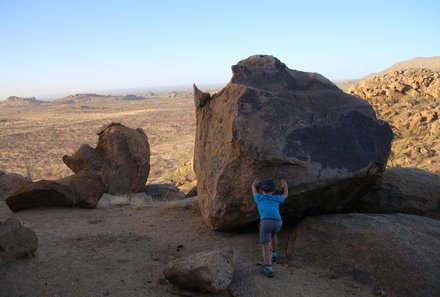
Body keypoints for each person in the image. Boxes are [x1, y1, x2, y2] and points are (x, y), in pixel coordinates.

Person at [251, 177, 288, 278]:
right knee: (273, 234)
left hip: (266, 222)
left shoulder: (259, 198)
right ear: (274, 191)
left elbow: (253, 190)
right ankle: (274, 254)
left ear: (261, 190)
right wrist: (285, 187)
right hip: (278, 222)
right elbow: (285, 195)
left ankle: (268, 267)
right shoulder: (276, 198)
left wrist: (253, 185)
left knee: (265, 245)